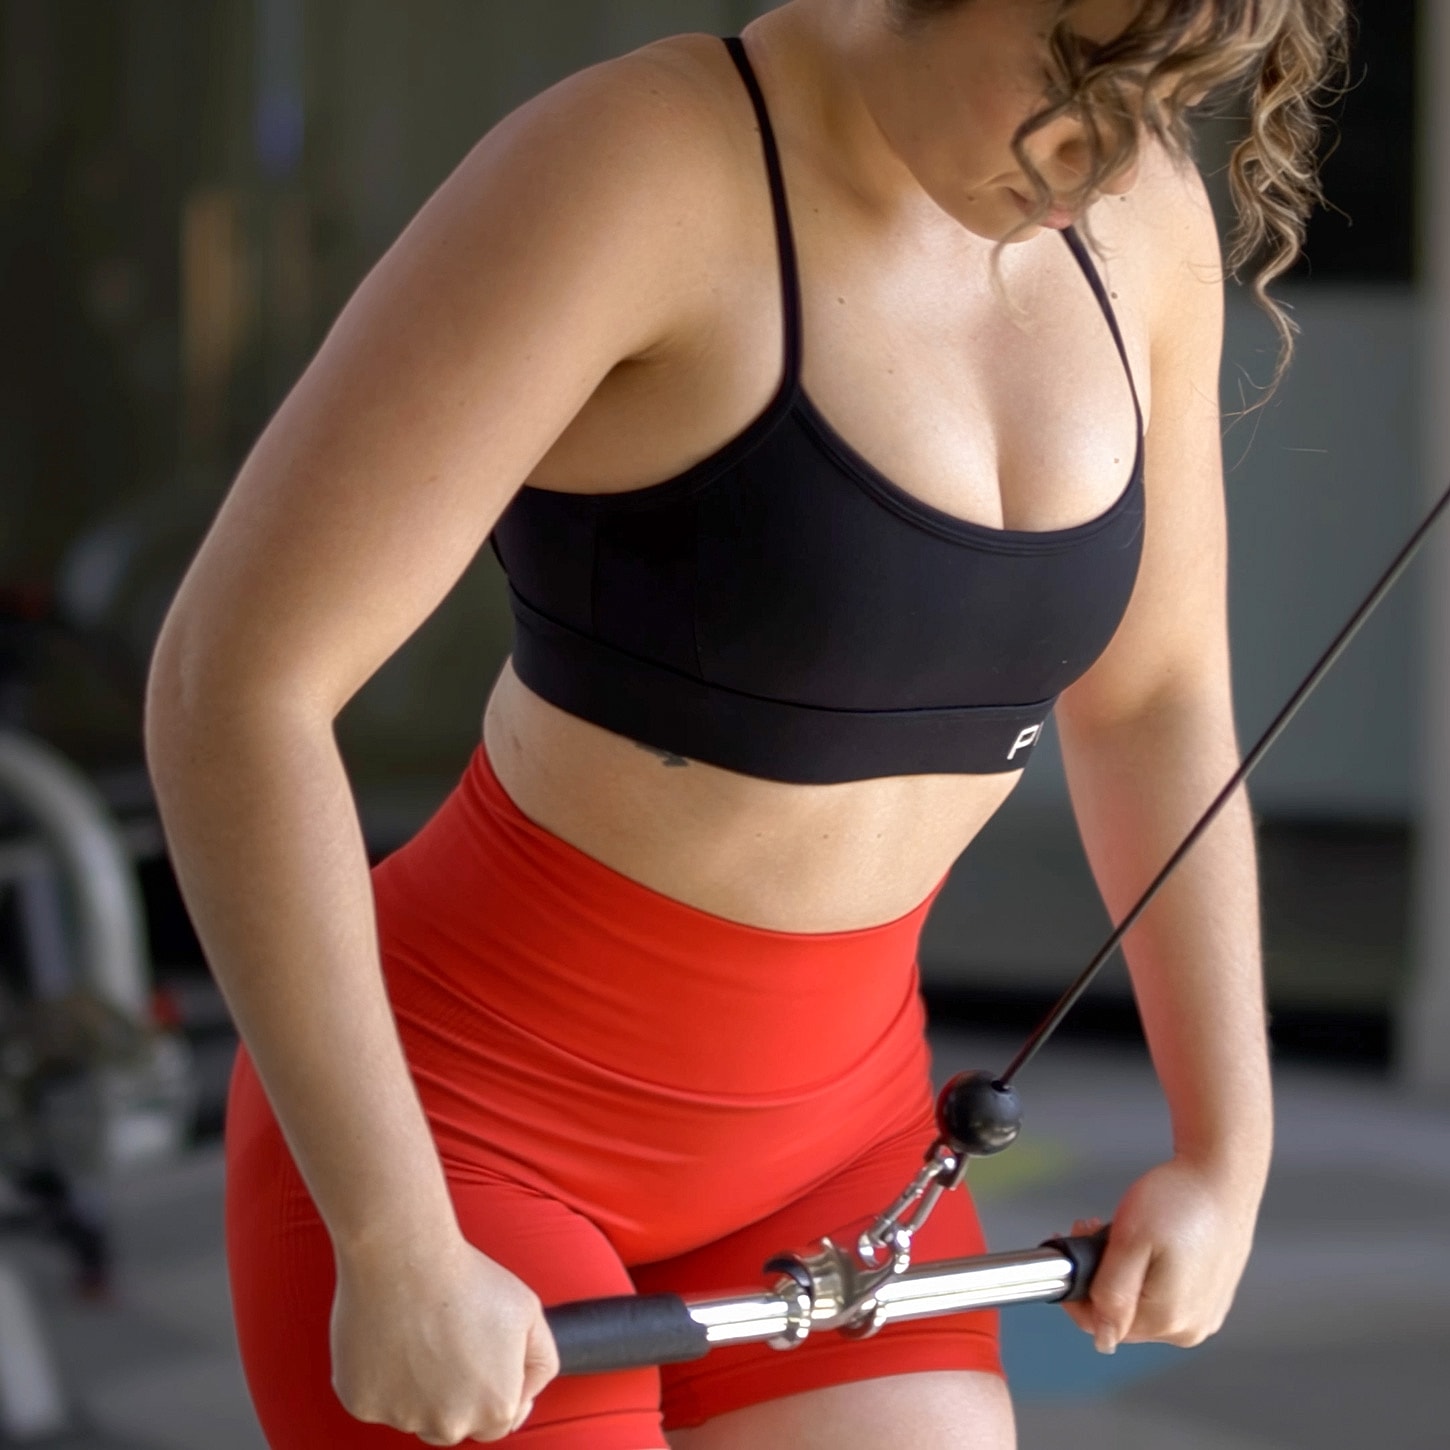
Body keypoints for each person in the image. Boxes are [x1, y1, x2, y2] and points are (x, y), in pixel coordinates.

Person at [143, 1, 1349, 1445]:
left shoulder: (1137, 218)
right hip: (462, 1134)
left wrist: (1228, 1146)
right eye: (1071, 74)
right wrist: (392, 1230)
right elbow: (237, 681)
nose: (1097, 156)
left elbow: (1154, 699)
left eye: (1160, 89)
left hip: (836, 1144)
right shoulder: (637, 167)